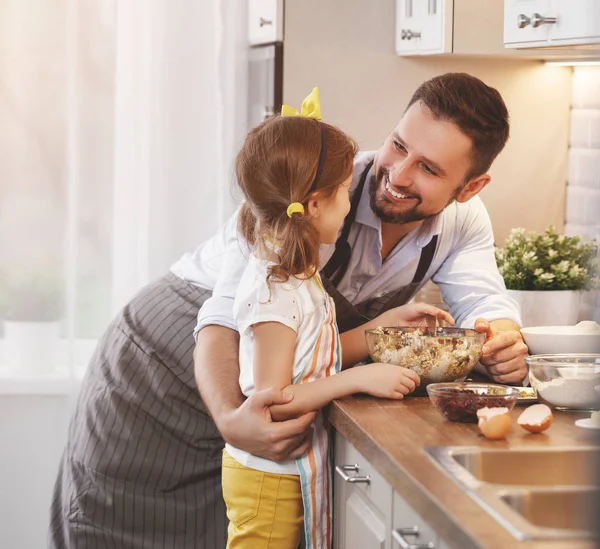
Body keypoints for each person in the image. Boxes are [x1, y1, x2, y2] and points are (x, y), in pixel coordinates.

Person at [48, 72, 528, 549]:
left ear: (470, 187)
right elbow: (220, 318)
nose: (398, 175)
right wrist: (230, 417)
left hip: (272, 381)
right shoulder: (313, 188)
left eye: (429, 169)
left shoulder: (463, 222)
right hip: (168, 362)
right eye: (398, 146)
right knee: (119, 526)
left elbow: (483, 300)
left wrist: (501, 337)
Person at [219, 88, 453, 549]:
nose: (352, 205)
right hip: (268, 481)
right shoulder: (274, 293)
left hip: (289, 472)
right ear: (315, 206)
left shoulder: (297, 276)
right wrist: (360, 381)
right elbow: (275, 401)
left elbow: (314, 358)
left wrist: (388, 325)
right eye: (345, 193)